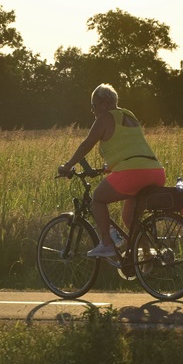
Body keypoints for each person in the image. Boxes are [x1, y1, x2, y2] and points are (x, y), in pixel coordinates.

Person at [56, 84, 166, 260]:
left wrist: (67, 166)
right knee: (129, 218)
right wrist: (109, 167)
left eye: (94, 105)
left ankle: (107, 243)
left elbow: (86, 145)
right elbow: (127, 145)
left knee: (98, 199)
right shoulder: (129, 115)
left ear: (105, 103)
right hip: (156, 171)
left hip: (133, 173)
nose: (92, 110)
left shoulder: (105, 118)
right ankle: (148, 255)